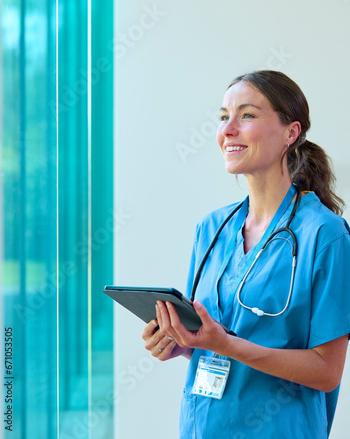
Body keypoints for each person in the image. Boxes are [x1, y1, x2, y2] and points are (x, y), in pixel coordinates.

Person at [142, 70, 350, 438]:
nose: (228, 130)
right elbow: (216, 342)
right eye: (224, 117)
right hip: (202, 427)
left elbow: (326, 371)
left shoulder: (324, 234)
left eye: (247, 115)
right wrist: (184, 343)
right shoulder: (212, 229)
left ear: (291, 132)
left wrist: (227, 344)